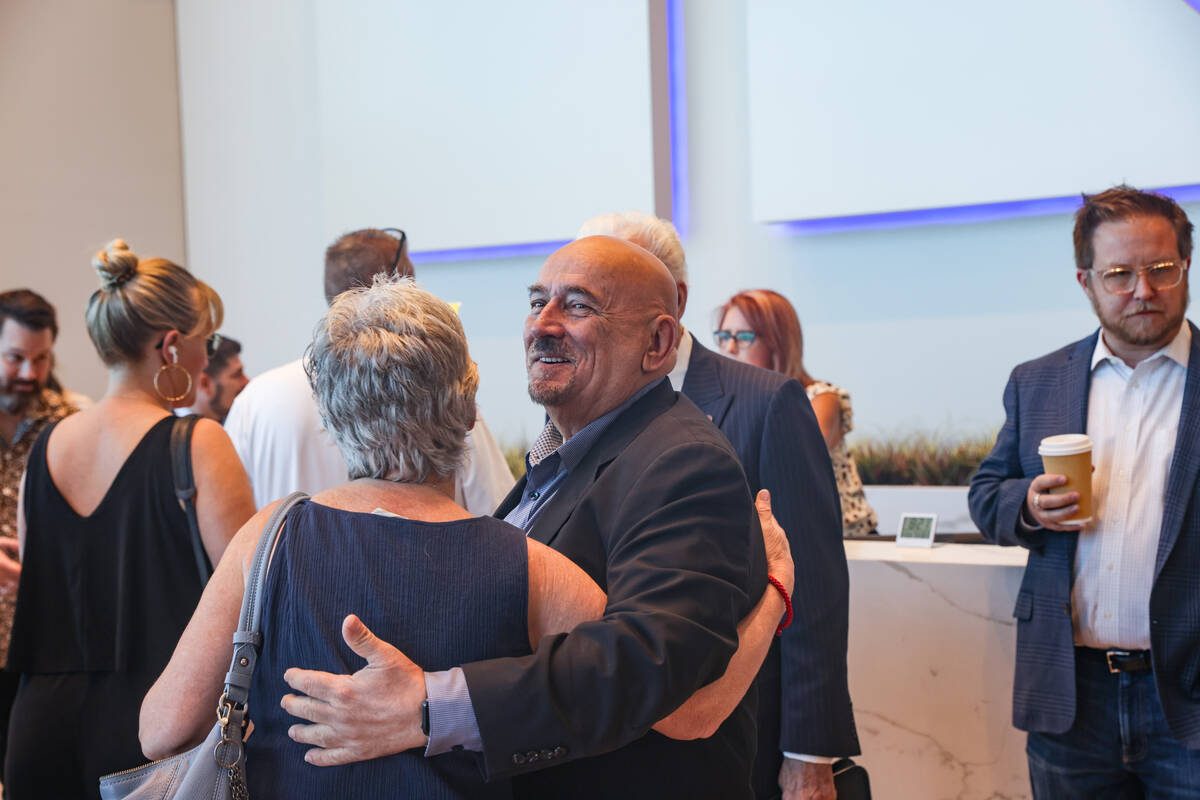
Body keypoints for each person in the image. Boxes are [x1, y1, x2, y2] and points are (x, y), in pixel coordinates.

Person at [141, 276, 792, 799]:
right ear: (467, 407)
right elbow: (688, 712)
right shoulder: (531, 566)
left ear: (332, 413)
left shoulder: (270, 538)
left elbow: (162, 728)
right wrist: (770, 596)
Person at [578, 212, 858, 800]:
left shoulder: (767, 401)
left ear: (672, 303)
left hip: (743, 736)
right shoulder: (580, 407)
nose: (581, 321)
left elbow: (814, 584)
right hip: (619, 742)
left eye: (603, 296)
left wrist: (809, 756)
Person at [968, 185, 1200, 796]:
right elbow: (986, 494)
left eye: (1161, 269)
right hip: (1071, 693)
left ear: (1187, 266)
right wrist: (1027, 505)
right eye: (1120, 274)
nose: (1143, 290)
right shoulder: (1037, 381)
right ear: (1086, 282)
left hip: (1189, 693)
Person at [3, 240, 256, 799]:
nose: (204, 356)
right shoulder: (198, 443)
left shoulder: (45, 445)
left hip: (37, 731)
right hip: (154, 737)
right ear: (170, 347)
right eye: (203, 342)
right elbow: (252, 598)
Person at [224, 228, 513, 513]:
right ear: (393, 287)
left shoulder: (256, 399)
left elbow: (231, 520)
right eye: (412, 282)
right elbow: (498, 509)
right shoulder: (438, 389)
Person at [717, 289, 877, 540]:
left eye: (744, 337)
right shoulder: (728, 403)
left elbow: (792, 468)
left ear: (777, 341)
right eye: (724, 335)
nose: (730, 347)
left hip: (843, 543)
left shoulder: (821, 398)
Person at [0, 289, 80, 782]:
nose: (30, 373)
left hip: (44, 642)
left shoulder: (72, 421)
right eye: (15, 358)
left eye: (41, 358)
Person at [176, 335, 249, 423]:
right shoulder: (165, 433)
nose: (247, 381)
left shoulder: (242, 423)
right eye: (236, 375)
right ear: (205, 384)